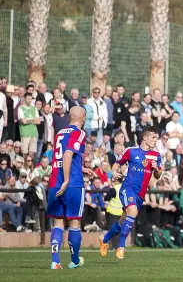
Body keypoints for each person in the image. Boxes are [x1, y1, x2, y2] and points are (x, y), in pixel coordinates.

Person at [99, 126, 162, 260]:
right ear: (145, 138)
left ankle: (104, 240)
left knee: (123, 222)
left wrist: (156, 169)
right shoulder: (131, 151)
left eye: (156, 138)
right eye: (153, 137)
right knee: (132, 213)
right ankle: (120, 247)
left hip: (140, 194)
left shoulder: (156, 155)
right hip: (128, 188)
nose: (155, 140)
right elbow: (117, 163)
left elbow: (158, 175)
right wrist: (115, 172)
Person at [47, 107, 92, 270]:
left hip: (54, 183)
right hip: (72, 184)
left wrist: (82, 168)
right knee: (74, 224)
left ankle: (55, 261)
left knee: (57, 224)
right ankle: (74, 261)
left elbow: (60, 159)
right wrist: (67, 179)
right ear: (83, 118)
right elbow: (67, 155)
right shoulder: (79, 133)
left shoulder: (59, 133)